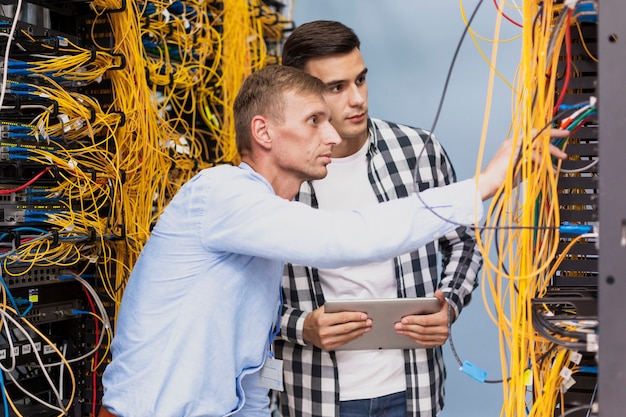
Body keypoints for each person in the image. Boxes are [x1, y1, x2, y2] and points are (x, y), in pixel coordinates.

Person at [97, 64, 566, 417]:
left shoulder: (266, 222)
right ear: (262, 131)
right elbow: (346, 235)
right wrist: (482, 184)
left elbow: (247, 366)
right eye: (314, 121)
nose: (332, 133)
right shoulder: (221, 193)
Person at [273, 20, 547, 417]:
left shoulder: (417, 150)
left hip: (412, 391)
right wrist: (303, 327)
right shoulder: (278, 173)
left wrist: (448, 305)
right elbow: (245, 294)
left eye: (361, 80)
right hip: (315, 395)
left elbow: (463, 243)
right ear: (298, 93)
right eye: (337, 87)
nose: (357, 99)